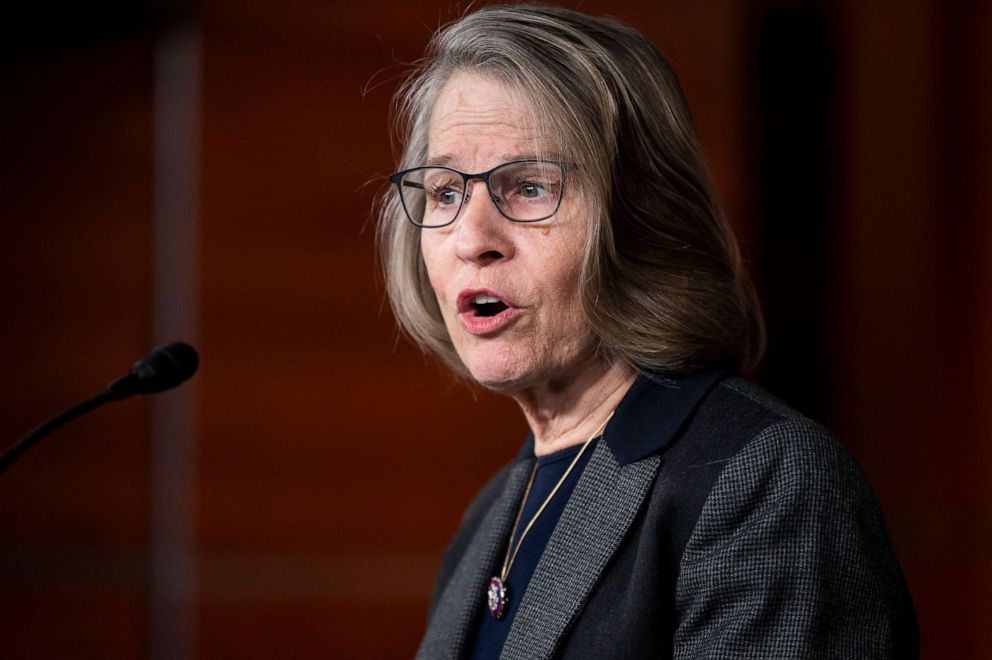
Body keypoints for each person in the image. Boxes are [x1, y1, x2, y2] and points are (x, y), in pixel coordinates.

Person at [378, 4, 918, 658]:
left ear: (640, 220)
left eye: (527, 187)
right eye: (444, 192)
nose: (472, 239)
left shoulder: (766, 483)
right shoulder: (491, 516)